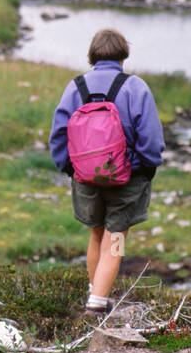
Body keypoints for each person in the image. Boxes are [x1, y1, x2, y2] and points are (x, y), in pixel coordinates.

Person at [49, 27, 164, 316]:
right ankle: (97, 305)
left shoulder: (75, 87)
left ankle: (95, 292)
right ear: (123, 56)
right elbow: (151, 138)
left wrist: (70, 168)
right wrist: (146, 167)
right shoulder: (136, 87)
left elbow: (58, 134)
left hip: (84, 177)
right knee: (116, 238)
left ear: (92, 55)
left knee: (96, 234)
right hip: (128, 177)